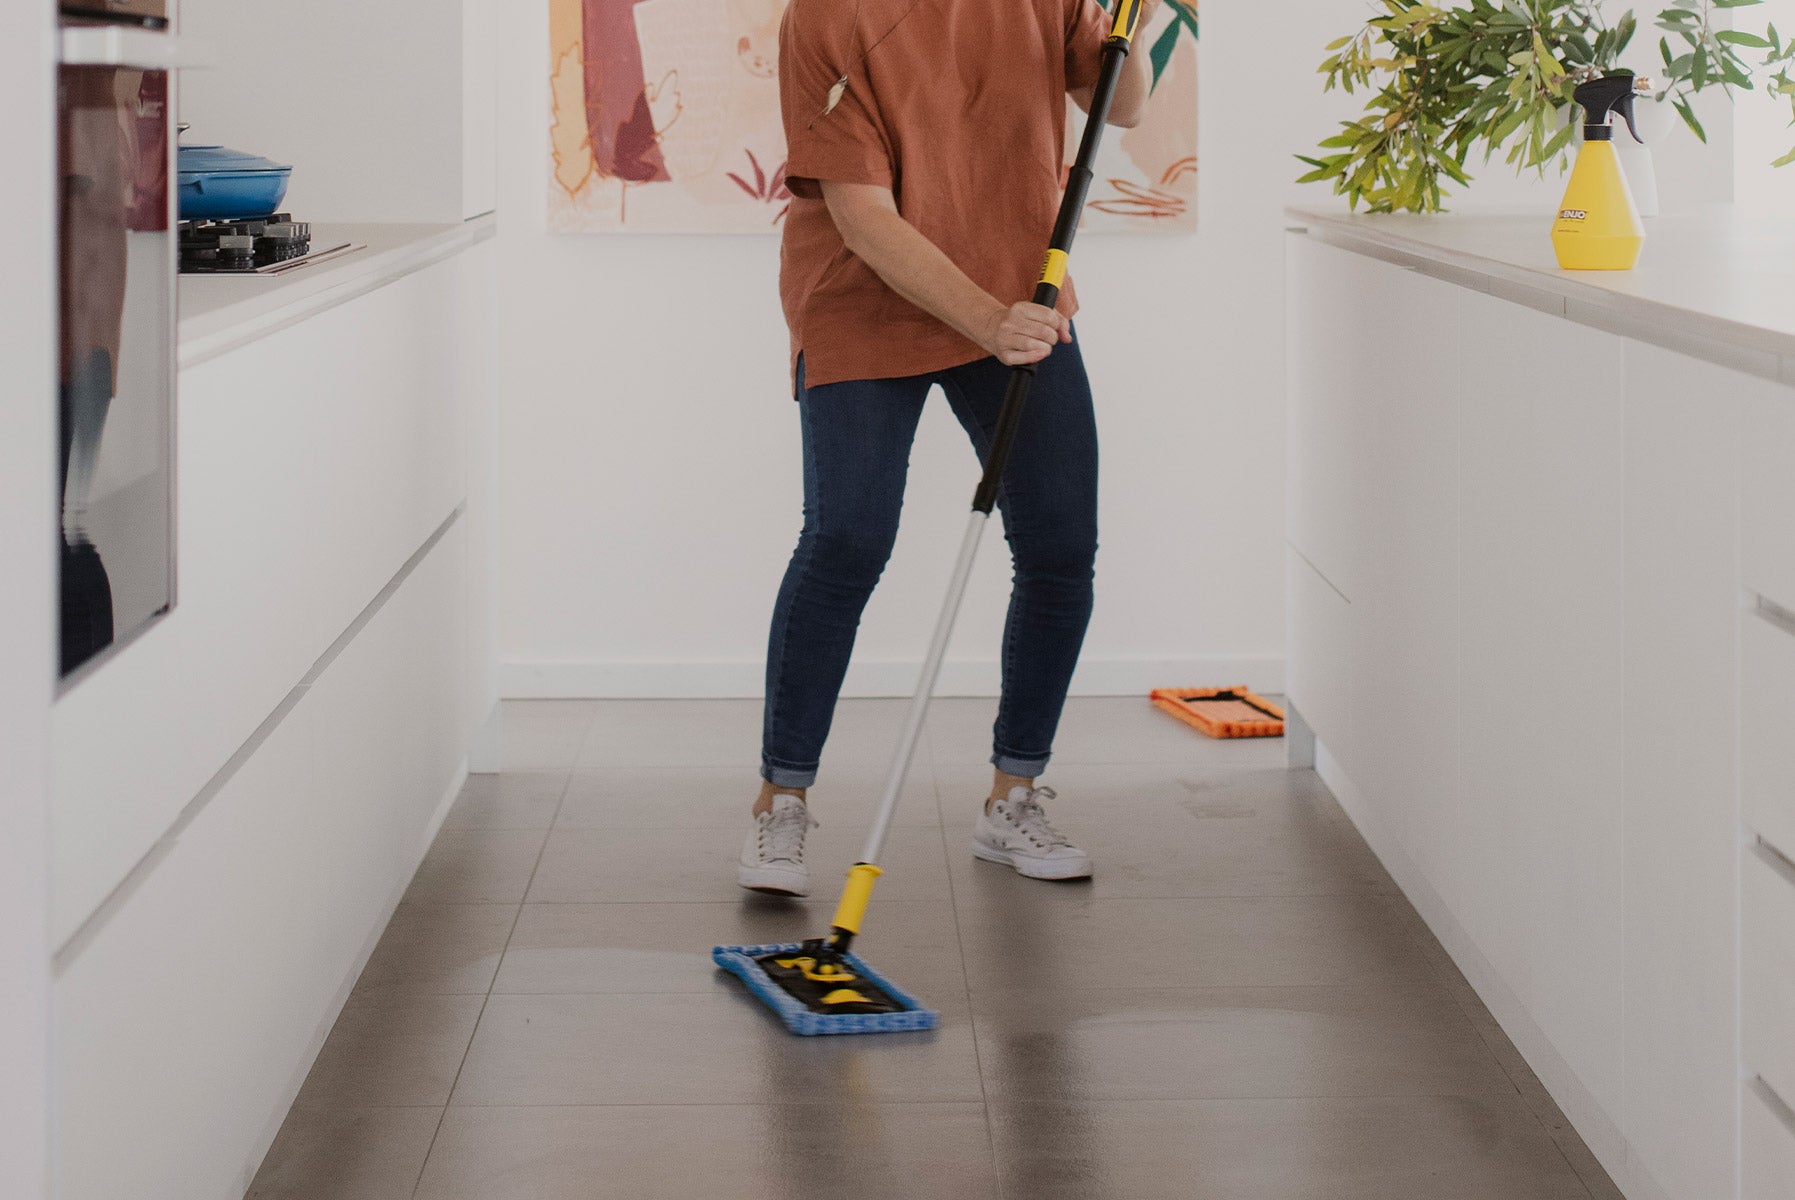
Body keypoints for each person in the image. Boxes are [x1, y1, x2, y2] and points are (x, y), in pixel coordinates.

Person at [738, 0, 1157, 896]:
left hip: (1021, 291)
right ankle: (781, 802)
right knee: (846, 540)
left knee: (1057, 546)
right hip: (862, 299)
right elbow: (861, 215)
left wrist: (1142, 20)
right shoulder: (825, 15)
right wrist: (984, 321)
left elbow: (1119, 105)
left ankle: (1014, 795)